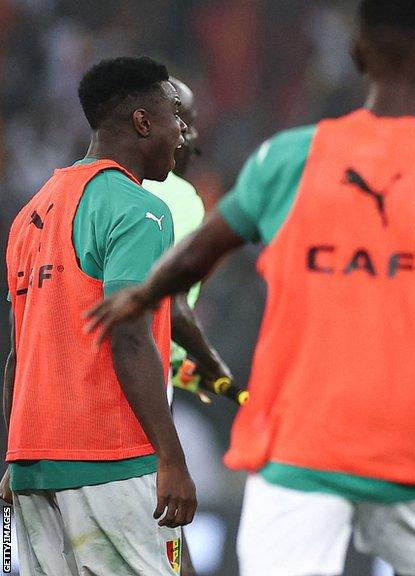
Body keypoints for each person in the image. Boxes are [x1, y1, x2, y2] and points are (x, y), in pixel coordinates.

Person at [84, 2, 415, 575]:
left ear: (358, 57)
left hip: (300, 440)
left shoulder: (289, 156)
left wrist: (145, 293)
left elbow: (204, 247)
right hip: (414, 440)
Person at [3, 56, 195, 575]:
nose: (183, 130)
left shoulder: (30, 216)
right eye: (175, 112)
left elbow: (19, 356)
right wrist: (171, 459)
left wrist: (11, 457)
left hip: (32, 468)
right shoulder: (139, 210)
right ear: (142, 121)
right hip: (111, 458)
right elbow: (129, 338)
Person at [141, 74, 226, 576]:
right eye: (180, 122)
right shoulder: (179, 199)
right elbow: (166, 310)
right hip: (138, 399)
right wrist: (215, 370)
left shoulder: (73, 190)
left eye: (191, 122)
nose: (189, 135)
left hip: (70, 410)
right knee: (167, 549)